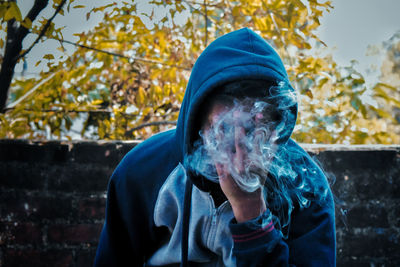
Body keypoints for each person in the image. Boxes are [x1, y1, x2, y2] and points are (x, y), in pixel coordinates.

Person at [94, 28, 336, 266]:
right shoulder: (143, 171)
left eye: (252, 131)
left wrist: (251, 211)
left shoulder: (306, 186)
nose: (239, 148)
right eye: (225, 129)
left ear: (274, 129)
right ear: (197, 121)